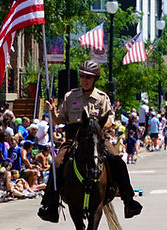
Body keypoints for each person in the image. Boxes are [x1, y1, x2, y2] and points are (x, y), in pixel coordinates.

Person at [44, 60, 142, 218]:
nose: (84, 80)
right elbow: (59, 120)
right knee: (56, 163)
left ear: (95, 79)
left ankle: (128, 200)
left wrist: (101, 125)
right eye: (82, 76)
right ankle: (50, 203)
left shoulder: (102, 98)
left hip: (96, 137)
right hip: (73, 138)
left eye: (88, 77)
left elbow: (110, 118)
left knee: (117, 160)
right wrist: (52, 111)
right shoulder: (71, 96)